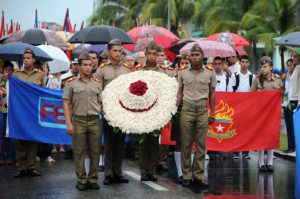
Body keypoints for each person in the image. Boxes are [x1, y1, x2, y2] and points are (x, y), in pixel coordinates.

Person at [177, 43, 216, 188]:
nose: (194, 58)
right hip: (186, 109)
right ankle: (186, 176)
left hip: (202, 110)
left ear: (202, 56)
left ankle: (198, 176)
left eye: (197, 55)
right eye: (192, 55)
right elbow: (179, 93)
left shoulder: (210, 73)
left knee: (201, 145)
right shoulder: (183, 72)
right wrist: (175, 109)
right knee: (186, 144)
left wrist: (213, 112)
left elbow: (212, 94)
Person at [135, 42, 175, 182]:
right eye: (149, 54)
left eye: (154, 54)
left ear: (158, 55)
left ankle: (151, 171)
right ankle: (143, 171)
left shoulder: (164, 71)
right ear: (146, 55)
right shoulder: (138, 70)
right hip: (142, 110)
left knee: (154, 142)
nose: (152, 56)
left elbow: (170, 88)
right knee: (143, 142)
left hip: (157, 111)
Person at [63, 51, 102, 191]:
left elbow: (101, 102)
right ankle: (81, 180)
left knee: (95, 151)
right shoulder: (71, 83)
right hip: (78, 121)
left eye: (90, 65)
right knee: (79, 152)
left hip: (94, 121)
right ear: (78, 66)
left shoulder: (97, 83)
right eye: (85, 65)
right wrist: (68, 123)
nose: (88, 68)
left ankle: (93, 179)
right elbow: (66, 104)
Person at [94, 39, 130, 185]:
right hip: (108, 112)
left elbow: (130, 91)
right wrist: (103, 111)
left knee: (120, 143)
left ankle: (118, 173)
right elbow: (98, 92)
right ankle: (108, 174)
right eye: (114, 50)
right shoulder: (101, 70)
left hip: (122, 112)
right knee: (109, 143)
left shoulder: (127, 69)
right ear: (108, 52)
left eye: (119, 51)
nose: (117, 53)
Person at [13, 48, 45, 178]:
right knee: (20, 139)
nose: (25, 60)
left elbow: (43, 94)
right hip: (20, 111)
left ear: (33, 60)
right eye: (24, 58)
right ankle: (21, 168)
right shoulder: (16, 75)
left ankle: (31, 167)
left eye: (28, 58)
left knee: (32, 139)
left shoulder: (40, 75)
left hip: (33, 111)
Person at [251, 56, 282, 172]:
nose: (263, 69)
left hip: (273, 113)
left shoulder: (277, 79)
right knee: (261, 136)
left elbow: (282, 93)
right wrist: (257, 94)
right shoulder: (257, 79)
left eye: (265, 66)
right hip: (260, 113)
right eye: (261, 67)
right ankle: (261, 162)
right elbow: (250, 94)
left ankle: (269, 162)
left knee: (271, 135)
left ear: (271, 68)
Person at [171, 54, 191, 184]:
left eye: (186, 63)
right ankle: (180, 173)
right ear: (178, 66)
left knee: (191, 143)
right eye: (182, 63)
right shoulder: (173, 79)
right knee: (179, 142)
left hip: (191, 110)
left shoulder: (194, 77)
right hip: (178, 111)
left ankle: (189, 172)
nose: (184, 65)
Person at [231, 55, 254, 159]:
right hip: (237, 105)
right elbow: (230, 91)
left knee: (247, 128)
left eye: (246, 62)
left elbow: (253, 91)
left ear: (248, 63)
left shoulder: (252, 76)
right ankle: (236, 151)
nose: (244, 64)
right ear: (239, 63)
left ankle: (246, 151)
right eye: (243, 62)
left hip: (248, 106)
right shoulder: (234, 75)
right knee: (236, 127)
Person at [0, 61, 15, 165]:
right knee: (1, 135)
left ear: (12, 71)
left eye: (10, 70)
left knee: (11, 135)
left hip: (12, 111)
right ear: (3, 70)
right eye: (6, 70)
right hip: (2, 110)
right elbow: (2, 95)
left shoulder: (15, 81)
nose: (8, 72)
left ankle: (10, 156)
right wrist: (4, 82)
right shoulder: (1, 81)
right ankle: (1, 157)